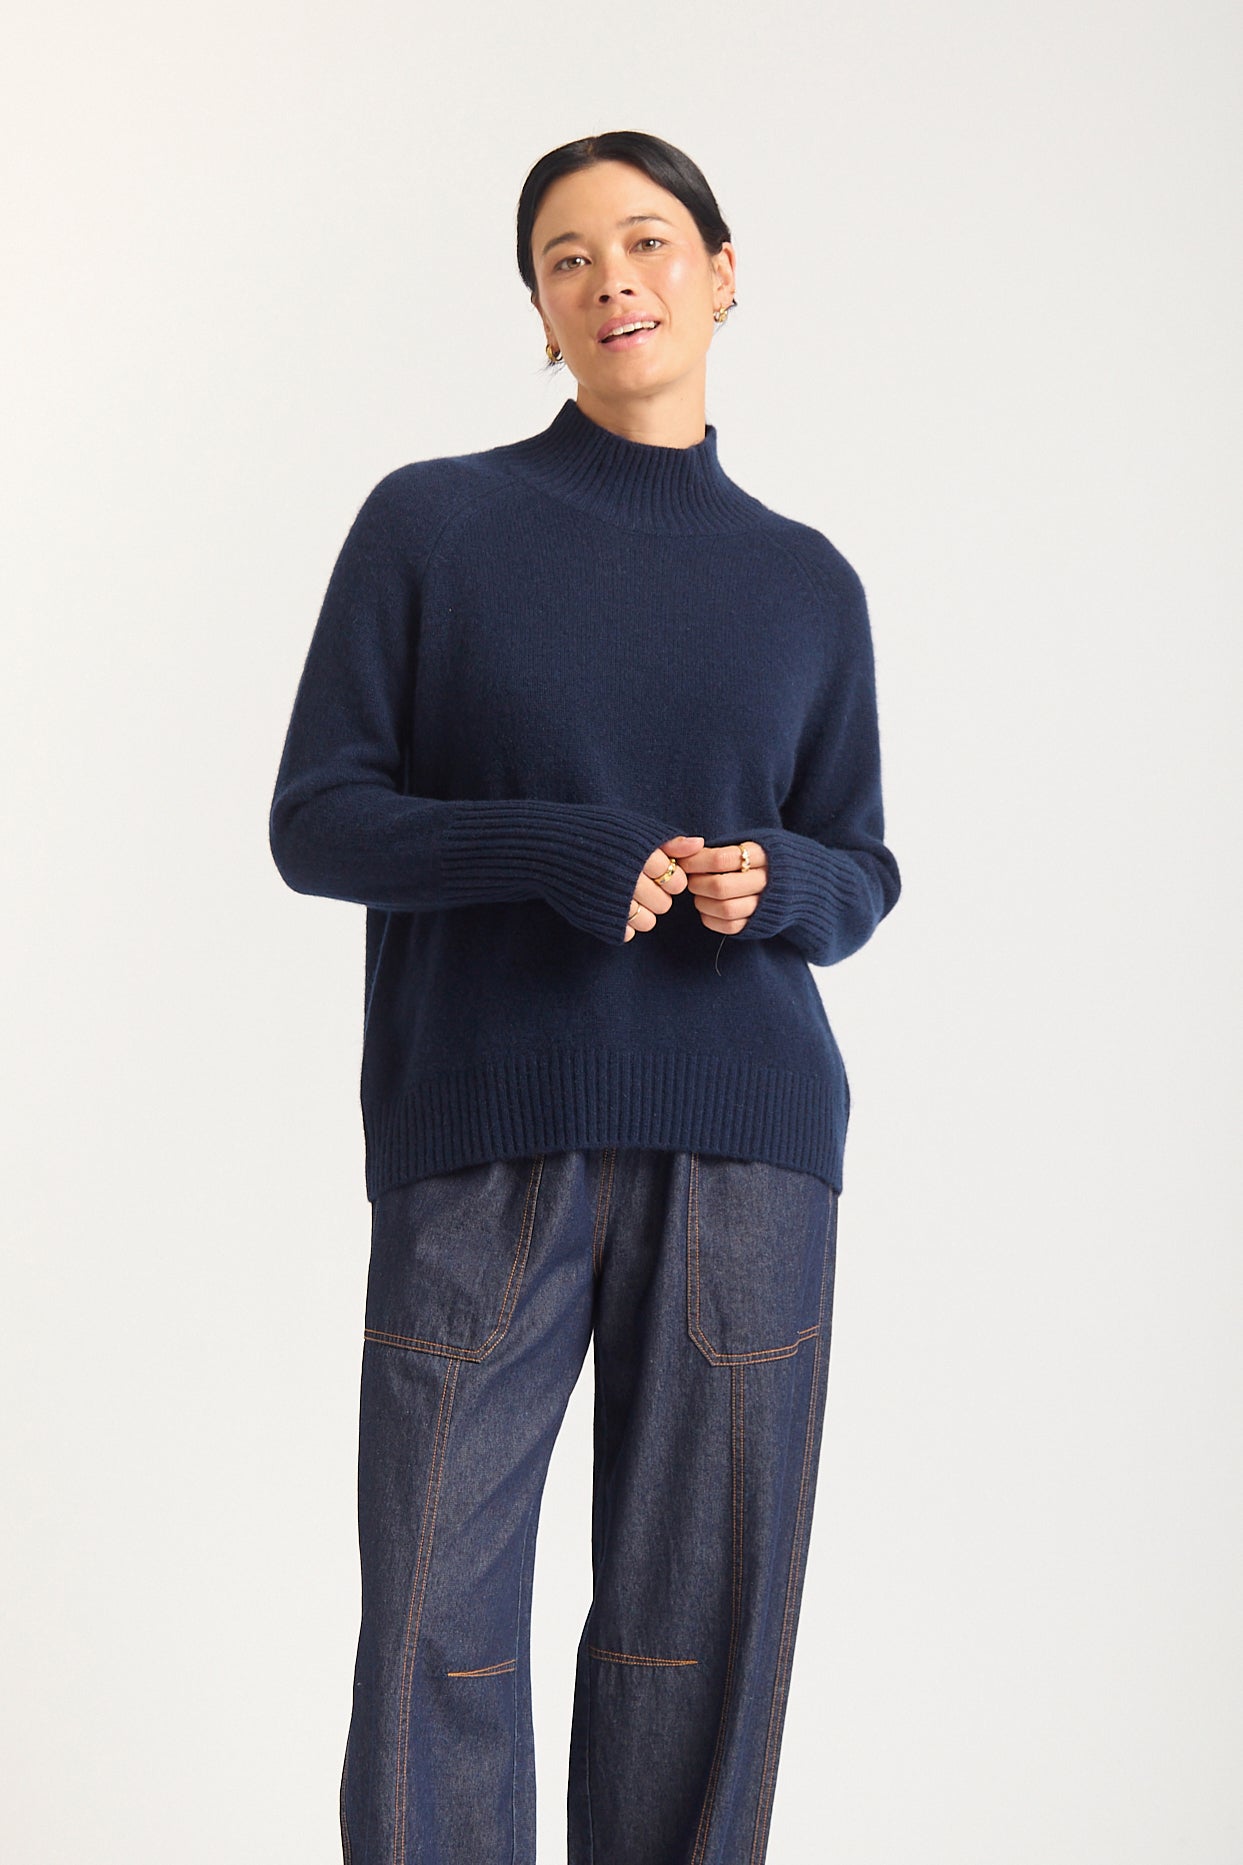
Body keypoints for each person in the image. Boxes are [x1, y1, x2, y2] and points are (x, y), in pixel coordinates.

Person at [269, 128, 901, 1865]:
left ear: (720, 271)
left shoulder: (807, 580)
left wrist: (788, 882)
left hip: (749, 1147)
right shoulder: (434, 523)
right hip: (490, 1128)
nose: (611, 278)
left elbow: (862, 867)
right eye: (566, 258)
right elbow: (318, 819)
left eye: (645, 241)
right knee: (434, 1627)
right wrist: (549, 846)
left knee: (696, 1648)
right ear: (540, 315)